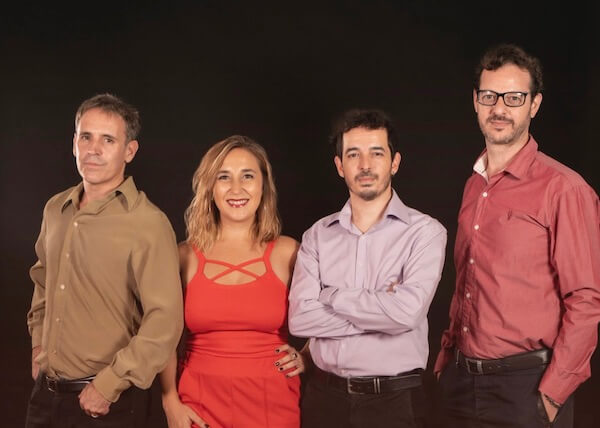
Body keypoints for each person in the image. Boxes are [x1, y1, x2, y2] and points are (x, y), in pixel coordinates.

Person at [435, 44, 600, 428]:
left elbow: (586, 298)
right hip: (461, 383)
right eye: (489, 96)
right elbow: (467, 281)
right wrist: (446, 358)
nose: (499, 108)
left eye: (514, 98)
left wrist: (553, 393)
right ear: (475, 101)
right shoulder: (474, 185)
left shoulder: (564, 189)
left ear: (534, 105)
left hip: (526, 390)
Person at [25, 93, 184, 427]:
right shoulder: (55, 209)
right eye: (86, 137)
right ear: (74, 143)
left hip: (108, 405)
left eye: (108, 140)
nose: (93, 149)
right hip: (46, 399)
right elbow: (42, 280)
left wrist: (109, 384)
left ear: (130, 151)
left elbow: (164, 321)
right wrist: (39, 344)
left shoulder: (148, 223)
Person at [288, 109, 447, 428]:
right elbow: (301, 319)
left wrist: (331, 296)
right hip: (324, 400)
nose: (365, 165)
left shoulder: (425, 232)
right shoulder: (317, 235)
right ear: (339, 166)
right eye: (353, 154)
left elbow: (406, 314)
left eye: (376, 153)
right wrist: (383, 313)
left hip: (395, 403)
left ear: (394, 162)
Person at [160, 135, 305, 428]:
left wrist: (308, 357)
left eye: (247, 176)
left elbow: (332, 312)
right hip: (198, 405)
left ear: (263, 185)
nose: (236, 188)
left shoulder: (289, 252)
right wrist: (169, 400)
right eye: (223, 177)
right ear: (210, 187)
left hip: (272, 404)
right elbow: (162, 333)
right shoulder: (183, 255)